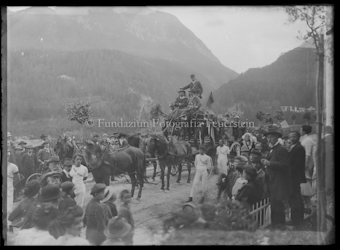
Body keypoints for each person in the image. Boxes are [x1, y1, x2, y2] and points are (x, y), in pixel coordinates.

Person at [261, 125, 291, 230]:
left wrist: (269, 163)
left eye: (272, 137)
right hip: (273, 181)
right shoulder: (272, 149)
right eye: (268, 137)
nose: (269, 139)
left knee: (277, 205)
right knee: (274, 205)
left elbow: (285, 165)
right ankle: (275, 226)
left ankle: (279, 227)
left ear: (277, 137)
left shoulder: (281, 149)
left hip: (279, 182)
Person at [287, 131, 306, 228]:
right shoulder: (295, 147)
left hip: (294, 176)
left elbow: (296, 164)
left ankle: (295, 219)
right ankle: (299, 217)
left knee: (294, 197)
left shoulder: (298, 148)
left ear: (298, 137)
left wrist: (287, 171)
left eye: (294, 136)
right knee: (297, 197)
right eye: (290, 137)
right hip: (295, 176)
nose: (292, 138)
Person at [7, 148, 20, 217]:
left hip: (9, 186)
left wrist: (12, 185)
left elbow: (18, 178)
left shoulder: (13, 166)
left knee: (8, 207)